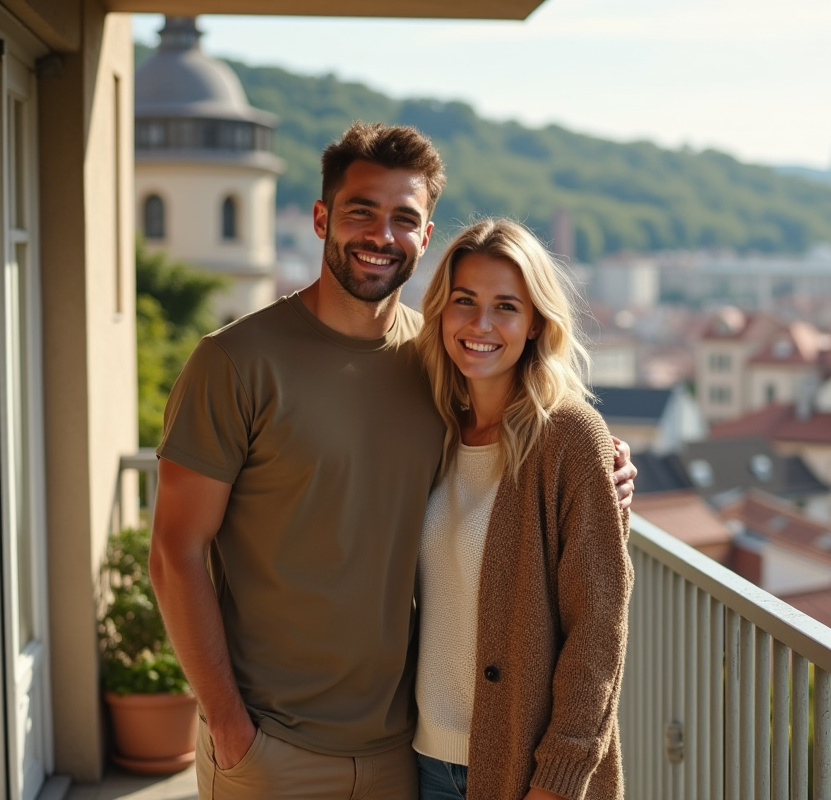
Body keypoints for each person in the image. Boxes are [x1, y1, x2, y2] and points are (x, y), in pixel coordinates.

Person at [148, 123, 636, 800]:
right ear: (321, 218)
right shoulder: (234, 362)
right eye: (361, 212)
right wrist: (229, 725)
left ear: (425, 236)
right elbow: (174, 552)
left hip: (401, 754)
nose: (381, 235)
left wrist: (603, 467)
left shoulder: (432, 362)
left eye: (403, 218)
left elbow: (528, 453)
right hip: (273, 747)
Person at [411, 218, 631, 800]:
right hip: (421, 760)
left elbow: (598, 630)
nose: (480, 324)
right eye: (465, 300)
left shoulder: (570, 437)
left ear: (535, 323)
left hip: (526, 771)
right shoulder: (429, 425)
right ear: (441, 310)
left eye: (505, 307)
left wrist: (558, 779)